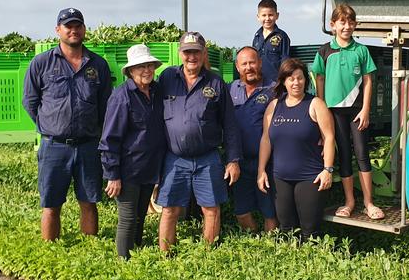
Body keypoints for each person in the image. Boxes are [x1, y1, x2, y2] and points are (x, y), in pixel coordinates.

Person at [23, 7, 113, 240]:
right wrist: (51, 124)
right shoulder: (41, 63)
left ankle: (89, 247)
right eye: (68, 26)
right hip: (54, 145)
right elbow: (30, 101)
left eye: (77, 26)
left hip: (88, 145)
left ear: (84, 29)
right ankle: (50, 248)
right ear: (58, 30)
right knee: (51, 203)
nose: (73, 30)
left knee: (89, 201)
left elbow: (105, 105)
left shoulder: (98, 65)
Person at [157, 32, 242, 251]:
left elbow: (230, 124)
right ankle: (165, 256)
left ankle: (207, 255)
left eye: (196, 52)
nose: (191, 57)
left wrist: (233, 160)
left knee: (211, 209)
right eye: (187, 52)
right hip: (175, 159)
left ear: (204, 53)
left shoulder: (216, 82)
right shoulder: (166, 78)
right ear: (180, 53)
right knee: (170, 209)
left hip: (208, 158)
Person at [311, 4, 384, 220]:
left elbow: (369, 80)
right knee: (343, 156)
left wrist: (366, 109)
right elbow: (319, 80)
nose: (347, 26)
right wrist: (321, 109)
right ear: (333, 25)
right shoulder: (325, 51)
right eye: (342, 22)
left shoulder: (361, 51)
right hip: (334, 112)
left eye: (351, 22)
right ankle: (349, 202)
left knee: (362, 154)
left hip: (356, 112)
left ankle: (369, 203)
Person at [98, 44, 166, 259]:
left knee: (140, 215)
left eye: (149, 66)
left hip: (148, 167)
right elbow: (110, 138)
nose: (146, 70)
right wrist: (113, 175)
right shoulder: (122, 97)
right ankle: (124, 261)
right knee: (127, 217)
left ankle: (136, 254)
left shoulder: (155, 93)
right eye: (140, 67)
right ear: (130, 71)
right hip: (127, 169)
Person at [258, 58, 335, 241]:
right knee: (286, 229)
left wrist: (328, 170)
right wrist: (261, 170)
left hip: (310, 177)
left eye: (300, 78)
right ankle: (290, 267)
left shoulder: (316, 104)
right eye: (291, 78)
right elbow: (266, 139)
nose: (296, 83)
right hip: (280, 178)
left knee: (310, 232)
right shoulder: (274, 106)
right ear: (283, 81)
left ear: (305, 80)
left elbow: (329, 137)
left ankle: (311, 266)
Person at [229, 46, 277, 232]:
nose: (249, 67)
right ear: (238, 67)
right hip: (239, 162)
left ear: (260, 63)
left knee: (270, 212)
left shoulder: (273, 90)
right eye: (244, 64)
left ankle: (272, 248)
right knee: (241, 211)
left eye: (252, 62)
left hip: (266, 162)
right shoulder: (231, 88)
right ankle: (256, 242)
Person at [252, 0, 290, 85]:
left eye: (270, 15)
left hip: (276, 84)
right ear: (258, 17)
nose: (267, 18)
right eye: (264, 15)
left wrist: (282, 82)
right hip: (259, 83)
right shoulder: (257, 36)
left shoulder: (282, 36)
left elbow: (285, 62)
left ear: (277, 15)